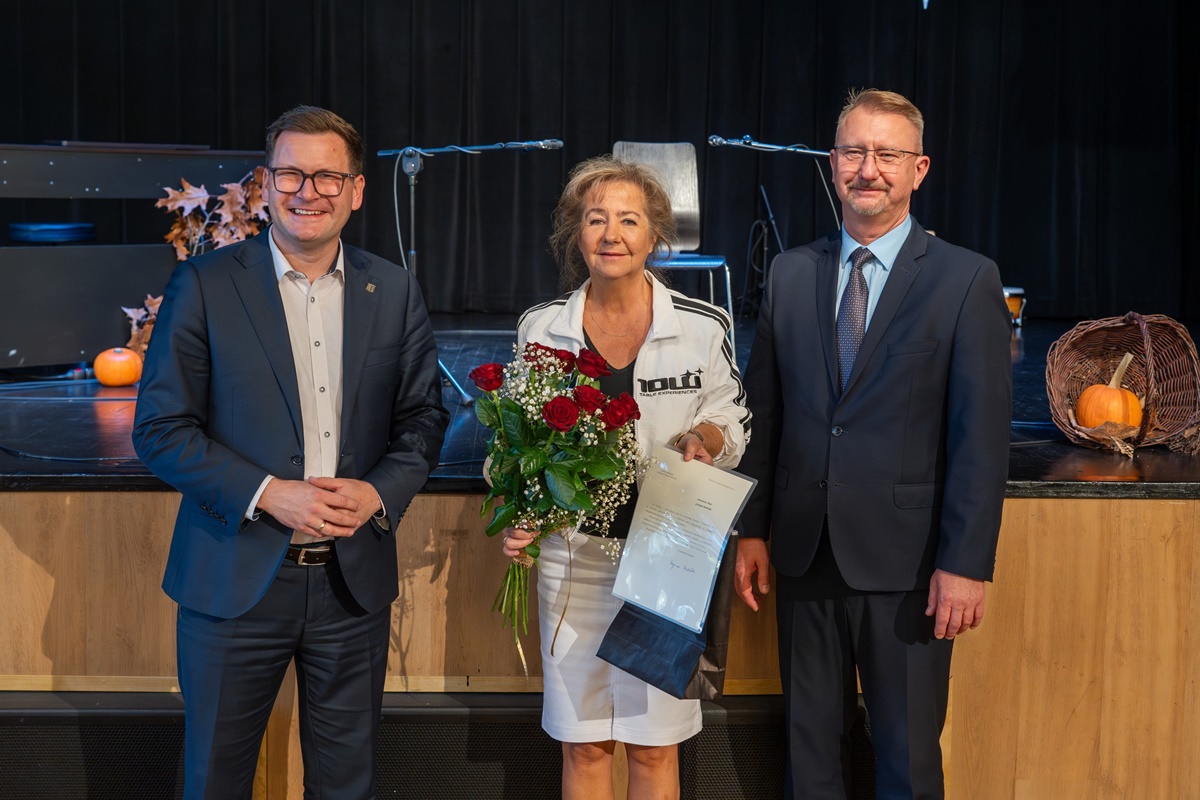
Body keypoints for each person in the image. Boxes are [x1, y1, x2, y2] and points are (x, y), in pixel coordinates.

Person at [132, 105, 449, 799]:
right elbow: (160, 429)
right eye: (291, 174)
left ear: (356, 190)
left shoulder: (394, 291)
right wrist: (269, 494)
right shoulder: (205, 284)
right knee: (215, 782)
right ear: (265, 183)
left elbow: (424, 418)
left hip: (351, 586)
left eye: (328, 177)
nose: (309, 192)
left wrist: (378, 491)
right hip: (233, 579)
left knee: (347, 787)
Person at [735, 89, 1012, 799]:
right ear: (833, 164)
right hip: (803, 555)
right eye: (854, 152)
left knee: (907, 764)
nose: (868, 169)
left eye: (887, 155)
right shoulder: (791, 272)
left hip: (910, 567)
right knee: (809, 762)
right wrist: (752, 530)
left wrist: (964, 563)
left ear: (919, 169)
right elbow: (764, 413)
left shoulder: (965, 279)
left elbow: (980, 439)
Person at [501, 156, 751, 799]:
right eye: (595, 219)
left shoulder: (703, 326)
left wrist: (706, 438)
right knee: (585, 747)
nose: (611, 234)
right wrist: (519, 511)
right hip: (572, 560)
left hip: (666, 563)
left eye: (629, 220)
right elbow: (512, 443)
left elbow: (733, 416)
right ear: (575, 233)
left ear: (655, 233)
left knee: (654, 748)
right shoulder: (541, 327)